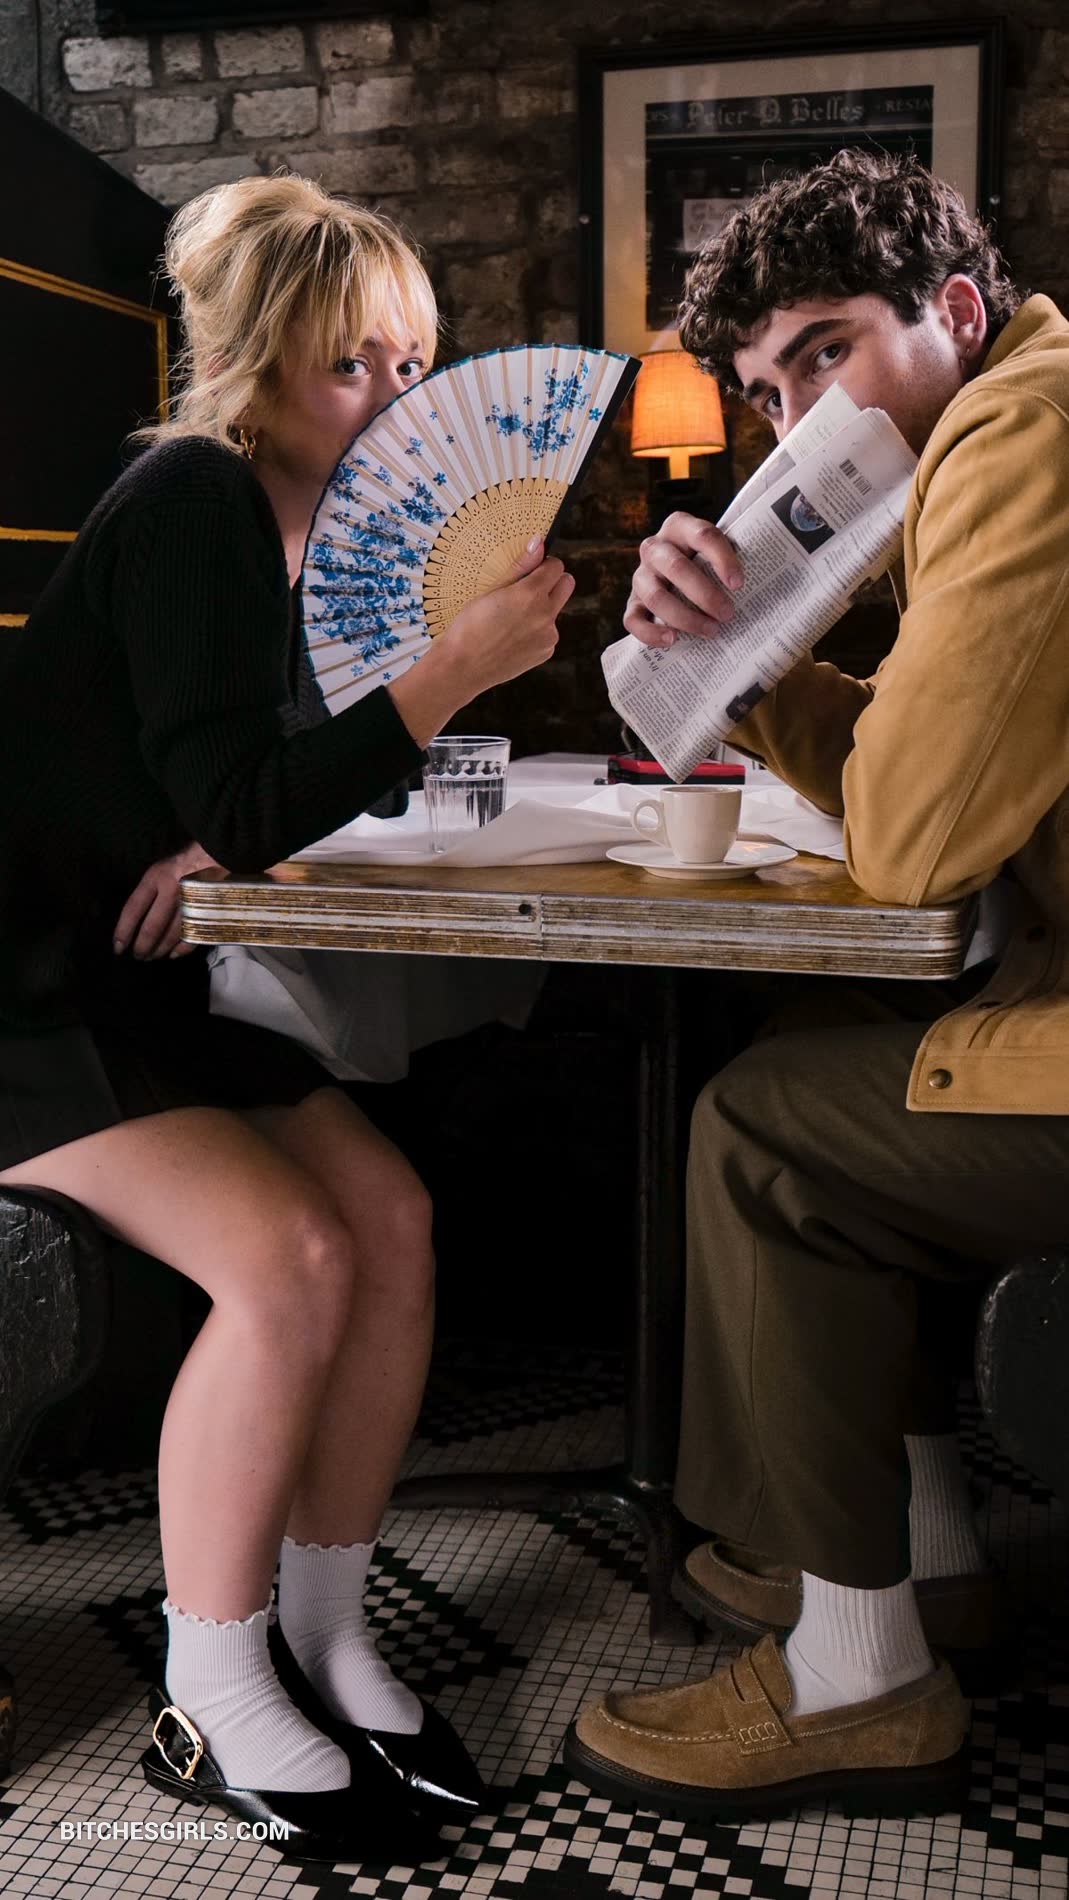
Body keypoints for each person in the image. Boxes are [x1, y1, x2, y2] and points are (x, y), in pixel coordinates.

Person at [0, 172, 574, 1863]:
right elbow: (260, 792)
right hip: (21, 990)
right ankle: (211, 1685)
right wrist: (450, 674)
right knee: (293, 1257)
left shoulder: (291, 522)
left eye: (411, 362)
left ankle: (325, 1637)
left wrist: (212, 827)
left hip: (124, 969)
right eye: (350, 366)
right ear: (258, 370)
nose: (395, 400)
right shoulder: (193, 494)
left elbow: (248, 783)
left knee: (388, 1219)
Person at [565, 148, 1069, 1822]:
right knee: (816, 1031)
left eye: (828, 354)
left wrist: (757, 644)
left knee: (767, 1133)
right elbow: (937, 767)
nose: (802, 420)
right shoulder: (993, 430)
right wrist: (745, 666)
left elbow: (916, 843)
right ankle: (917, 1558)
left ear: (953, 312)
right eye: (773, 392)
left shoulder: (1020, 434)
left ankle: (859, 1680)